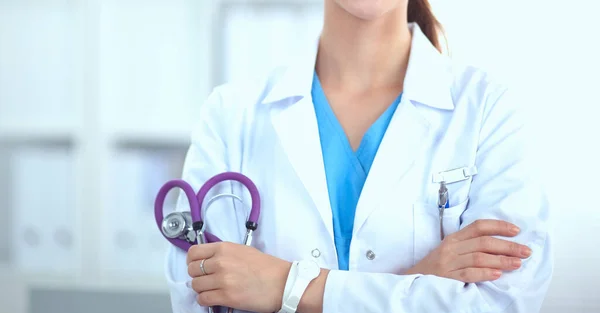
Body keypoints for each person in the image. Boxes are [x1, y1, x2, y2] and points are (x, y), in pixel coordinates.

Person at [164, 0, 552, 312]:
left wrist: (286, 287)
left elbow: (503, 303)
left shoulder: (487, 110)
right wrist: (418, 279)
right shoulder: (231, 115)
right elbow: (202, 298)